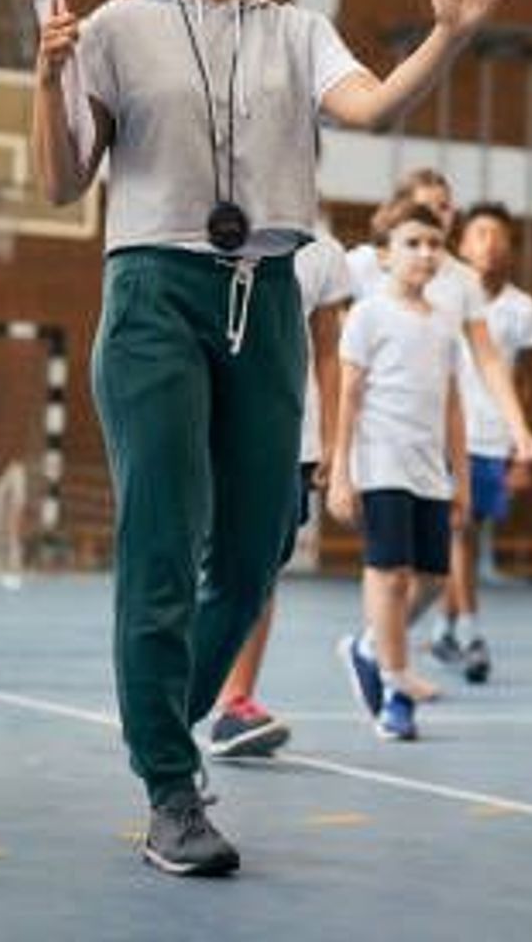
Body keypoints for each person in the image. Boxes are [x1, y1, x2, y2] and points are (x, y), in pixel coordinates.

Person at [32, 0, 518, 877]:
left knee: (254, 549)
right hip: (155, 290)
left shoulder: (297, 30)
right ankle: (168, 780)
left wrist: (448, 36)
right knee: (163, 541)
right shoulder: (117, 28)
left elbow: (375, 102)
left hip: (265, 295)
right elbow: (62, 182)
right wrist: (47, 80)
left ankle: (171, 726)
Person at [327, 199, 469, 742]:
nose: (426, 254)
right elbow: (350, 394)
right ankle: (393, 687)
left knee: (433, 579)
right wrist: (342, 470)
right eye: (412, 243)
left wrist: (457, 475)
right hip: (381, 461)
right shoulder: (368, 315)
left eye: (434, 244)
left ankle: (369, 646)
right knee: (391, 574)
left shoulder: (444, 323)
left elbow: (454, 402)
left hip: (429, 468)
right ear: (383, 255)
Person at [208, 223, 350, 760]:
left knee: (261, 568)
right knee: (213, 564)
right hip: (217, 430)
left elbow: (331, 352)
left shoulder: (323, 251)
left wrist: (333, 439)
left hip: (294, 436)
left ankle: (235, 702)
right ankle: (190, 696)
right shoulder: (213, 229)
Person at [429, 200, 532, 684]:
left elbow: (526, 382)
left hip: (497, 440)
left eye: (498, 235)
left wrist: (522, 448)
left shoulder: (523, 308)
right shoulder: (444, 296)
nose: (489, 244)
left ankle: (441, 627)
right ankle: (471, 632)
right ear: (462, 244)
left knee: (466, 537)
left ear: (511, 247)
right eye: (479, 234)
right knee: (459, 530)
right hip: (450, 435)